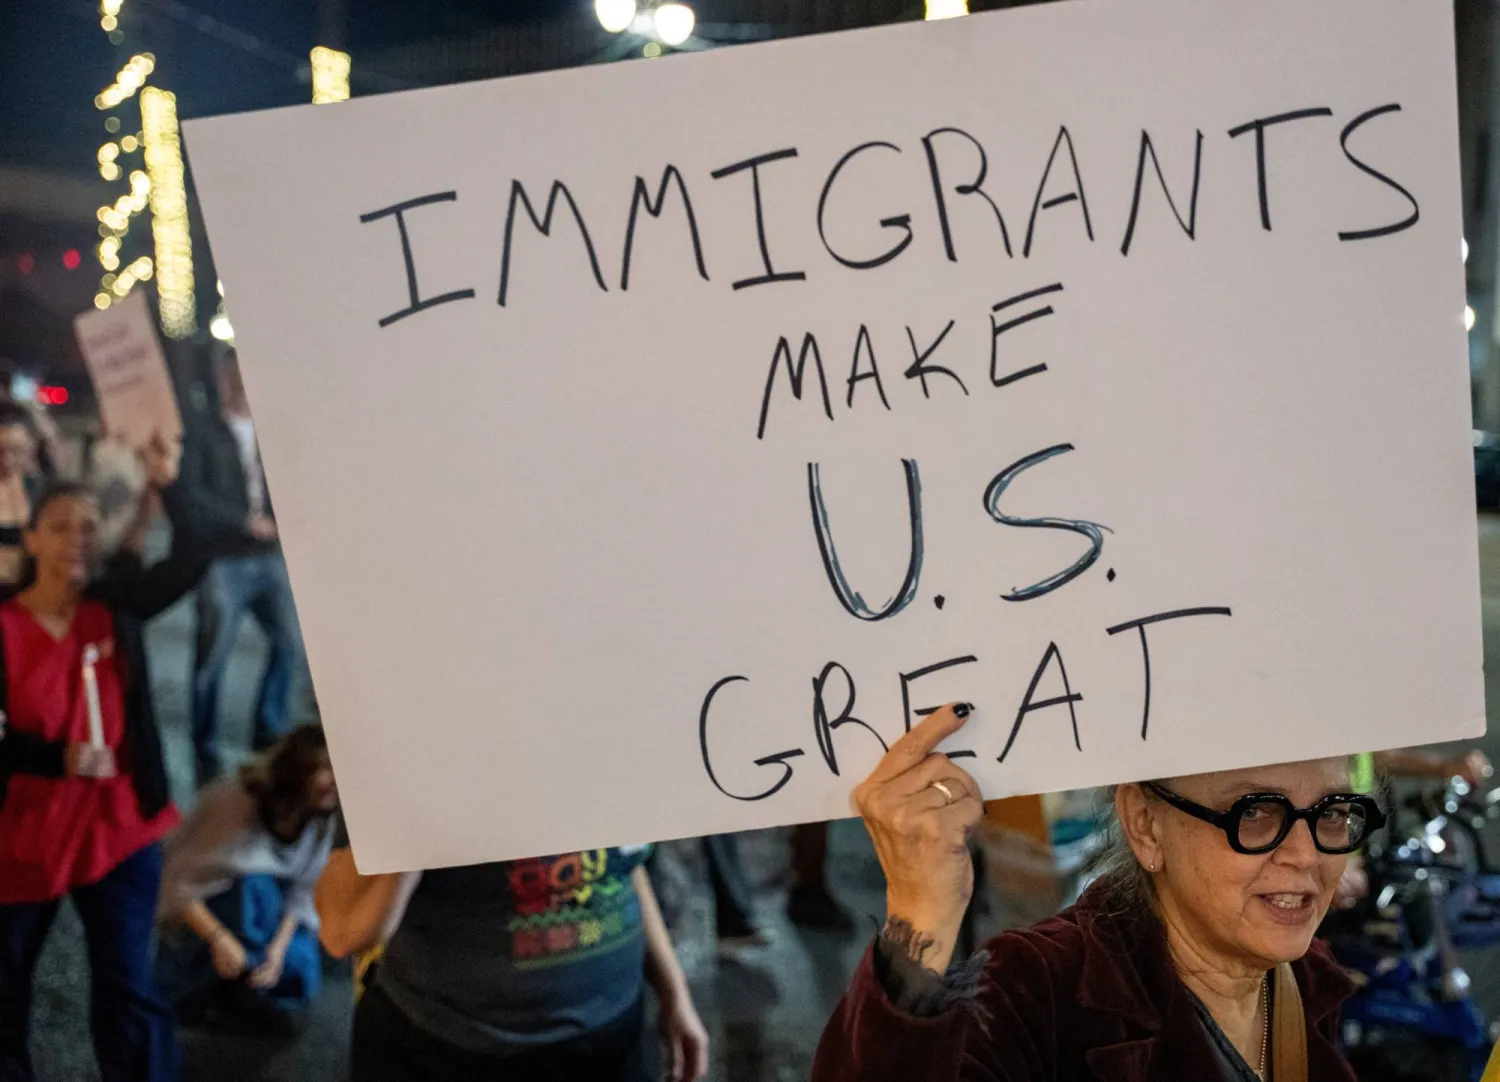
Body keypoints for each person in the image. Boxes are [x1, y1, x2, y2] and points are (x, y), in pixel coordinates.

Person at [815, 703, 1380, 1081]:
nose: (1307, 853)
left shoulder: (1306, 979)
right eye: (1255, 812)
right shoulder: (1035, 991)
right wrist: (922, 911)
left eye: (1334, 812)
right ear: (1144, 823)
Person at [0, 438, 202, 1082]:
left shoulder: (117, 607)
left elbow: (194, 556)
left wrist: (170, 483)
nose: (78, 538)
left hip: (118, 829)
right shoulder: (2, 623)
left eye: (90, 526)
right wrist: (51, 755)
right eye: (60, 527)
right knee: (4, 989)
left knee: (128, 984)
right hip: (23, 835)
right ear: (30, 540)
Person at [316, 836, 710, 1082]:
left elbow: (624, 868)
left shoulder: (612, 728)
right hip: (453, 1049)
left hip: (612, 1038)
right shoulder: (406, 728)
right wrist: (424, 811)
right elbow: (343, 930)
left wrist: (674, 991)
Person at [155, 724, 339, 1018]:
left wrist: (277, 952)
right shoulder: (237, 805)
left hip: (262, 908)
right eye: (327, 769)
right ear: (297, 772)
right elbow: (177, 881)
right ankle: (213, 974)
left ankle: (243, 973)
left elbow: (304, 891)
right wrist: (218, 939)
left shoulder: (320, 816)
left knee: (299, 973)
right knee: (254, 886)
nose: (337, 781)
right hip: (212, 901)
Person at [180, 346, 301, 783]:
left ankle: (268, 733)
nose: (240, 385)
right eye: (233, 376)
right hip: (225, 561)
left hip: (269, 559)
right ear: (222, 378)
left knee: (289, 642)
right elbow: (192, 495)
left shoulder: (272, 428)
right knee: (211, 658)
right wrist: (243, 522)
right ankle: (204, 751)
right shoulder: (203, 431)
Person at [0, 404, 46, 588]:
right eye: (0, 451)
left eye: (16, 450)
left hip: (25, 590)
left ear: (31, 449)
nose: (7, 460)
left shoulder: (39, 490)